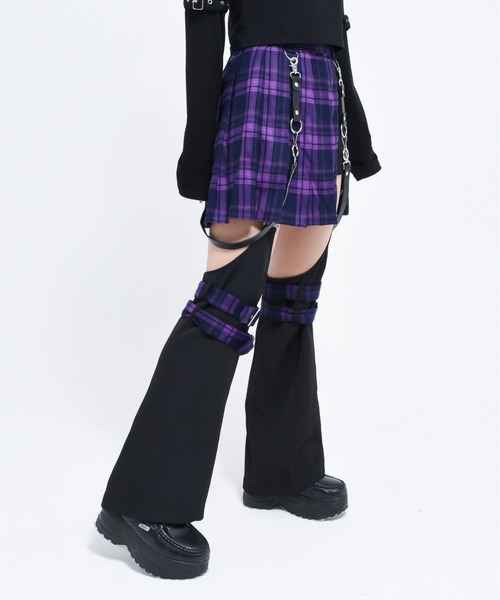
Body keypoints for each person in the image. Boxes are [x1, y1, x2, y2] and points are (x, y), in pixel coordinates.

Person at [95, 0, 381, 580]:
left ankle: (282, 472)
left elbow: (334, 28)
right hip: (263, 86)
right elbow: (204, 22)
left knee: (295, 296)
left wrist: (357, 127)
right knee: (225, 303)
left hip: (325, 89)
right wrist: (199, 155)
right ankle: (141, 503)